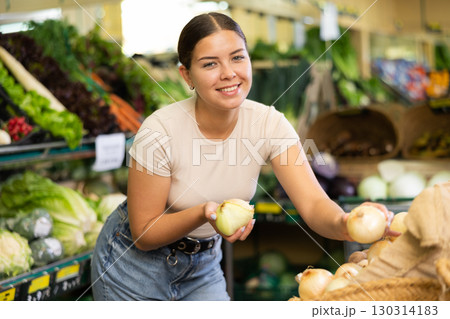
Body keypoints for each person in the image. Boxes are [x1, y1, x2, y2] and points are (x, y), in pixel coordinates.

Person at [90, 12, 396, 301]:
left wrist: (345, 223)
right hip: (132, 265)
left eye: (237, 57)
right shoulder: (159, 130)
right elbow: (144, 231)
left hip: (204, 263)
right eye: (210, 64)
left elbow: (314, 204)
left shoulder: (270, 124)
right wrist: (205, 212)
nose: (228, 73)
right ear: (187, 76)